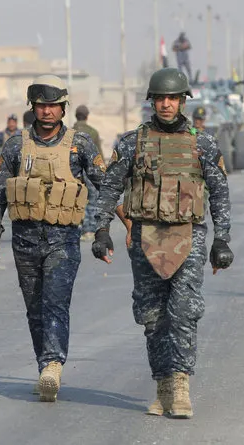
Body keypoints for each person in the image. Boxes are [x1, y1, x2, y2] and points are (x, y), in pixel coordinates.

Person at [91, 67, 234, 419]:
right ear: (152, 101)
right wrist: (100, 229)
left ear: (183, 100)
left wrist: (222, 239)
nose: (166, 104)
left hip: (189, 234)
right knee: (152, 316)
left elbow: (219, 193)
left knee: (183, 311)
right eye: (160, 98)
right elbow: (110, 188)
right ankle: (163, 384)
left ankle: (181, 383)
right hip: (145, 236)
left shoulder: (203, 143)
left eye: (172, 98)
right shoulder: (131, 143)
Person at [0, 75, 107, 403]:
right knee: (34, 307)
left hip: (63, 238)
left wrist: (120, 226)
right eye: (41, 105)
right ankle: (43, 365)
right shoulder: (16, 145)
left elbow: (106, 188)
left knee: (55, 302)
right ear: (33, 107)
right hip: (25, 238)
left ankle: (52, 365)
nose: (47, 112)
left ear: (63, 108)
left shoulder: (81, 145)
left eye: (53, 106)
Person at [73, 104, 102, 242]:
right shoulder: (93, 132)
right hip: (89, 170)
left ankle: (76, 226)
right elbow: (98, 155)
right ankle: (89, 229)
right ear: (87, 116)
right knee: (91, 199)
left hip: (72, 171)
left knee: (73, 198)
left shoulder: (69, 132)